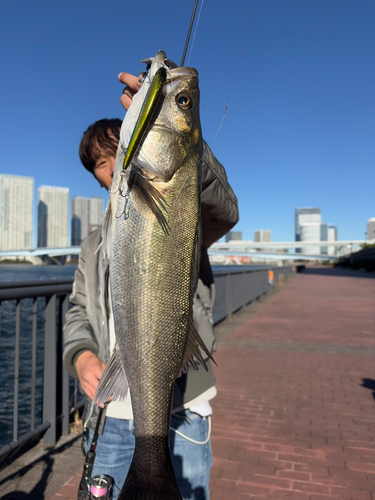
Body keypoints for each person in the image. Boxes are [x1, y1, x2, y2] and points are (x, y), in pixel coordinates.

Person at [63, 70, 239, 500]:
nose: (109, 168)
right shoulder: (93, 245)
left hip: (183, 409)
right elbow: (78, 310)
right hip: (110, 410)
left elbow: (226, 209)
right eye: (100, 165)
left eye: (114, 152)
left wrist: (182, 129)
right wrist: (82, 357)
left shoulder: (189, 200)